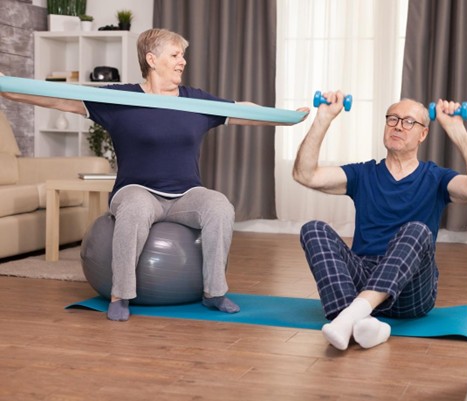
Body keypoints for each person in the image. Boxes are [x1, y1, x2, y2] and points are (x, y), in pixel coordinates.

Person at [1, 28, 308, 322]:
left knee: (219, 207)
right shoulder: (121, 100)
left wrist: (287, 118)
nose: (182, 61)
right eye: (175, 55)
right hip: (136, 190)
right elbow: (58, 99)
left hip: (186, 195)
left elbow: (243, 110)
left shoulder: (195, 101)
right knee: (135, 207)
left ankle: (214, 292)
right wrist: (8, 89)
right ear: (151, 59)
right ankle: (120, 296)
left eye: (182, 55)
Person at [292, 92, 467, 350]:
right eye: (393, 119)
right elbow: (305, 175)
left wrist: (457, 131)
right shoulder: (363, 173)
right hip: (363, 278)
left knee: (416, 230)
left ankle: (348, 316)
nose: (398, 126)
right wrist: (323, 119)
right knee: (313, 229)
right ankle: (363, 323)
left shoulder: (436, 177)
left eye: (409, 122)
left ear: (423, 134)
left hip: (411, 291)